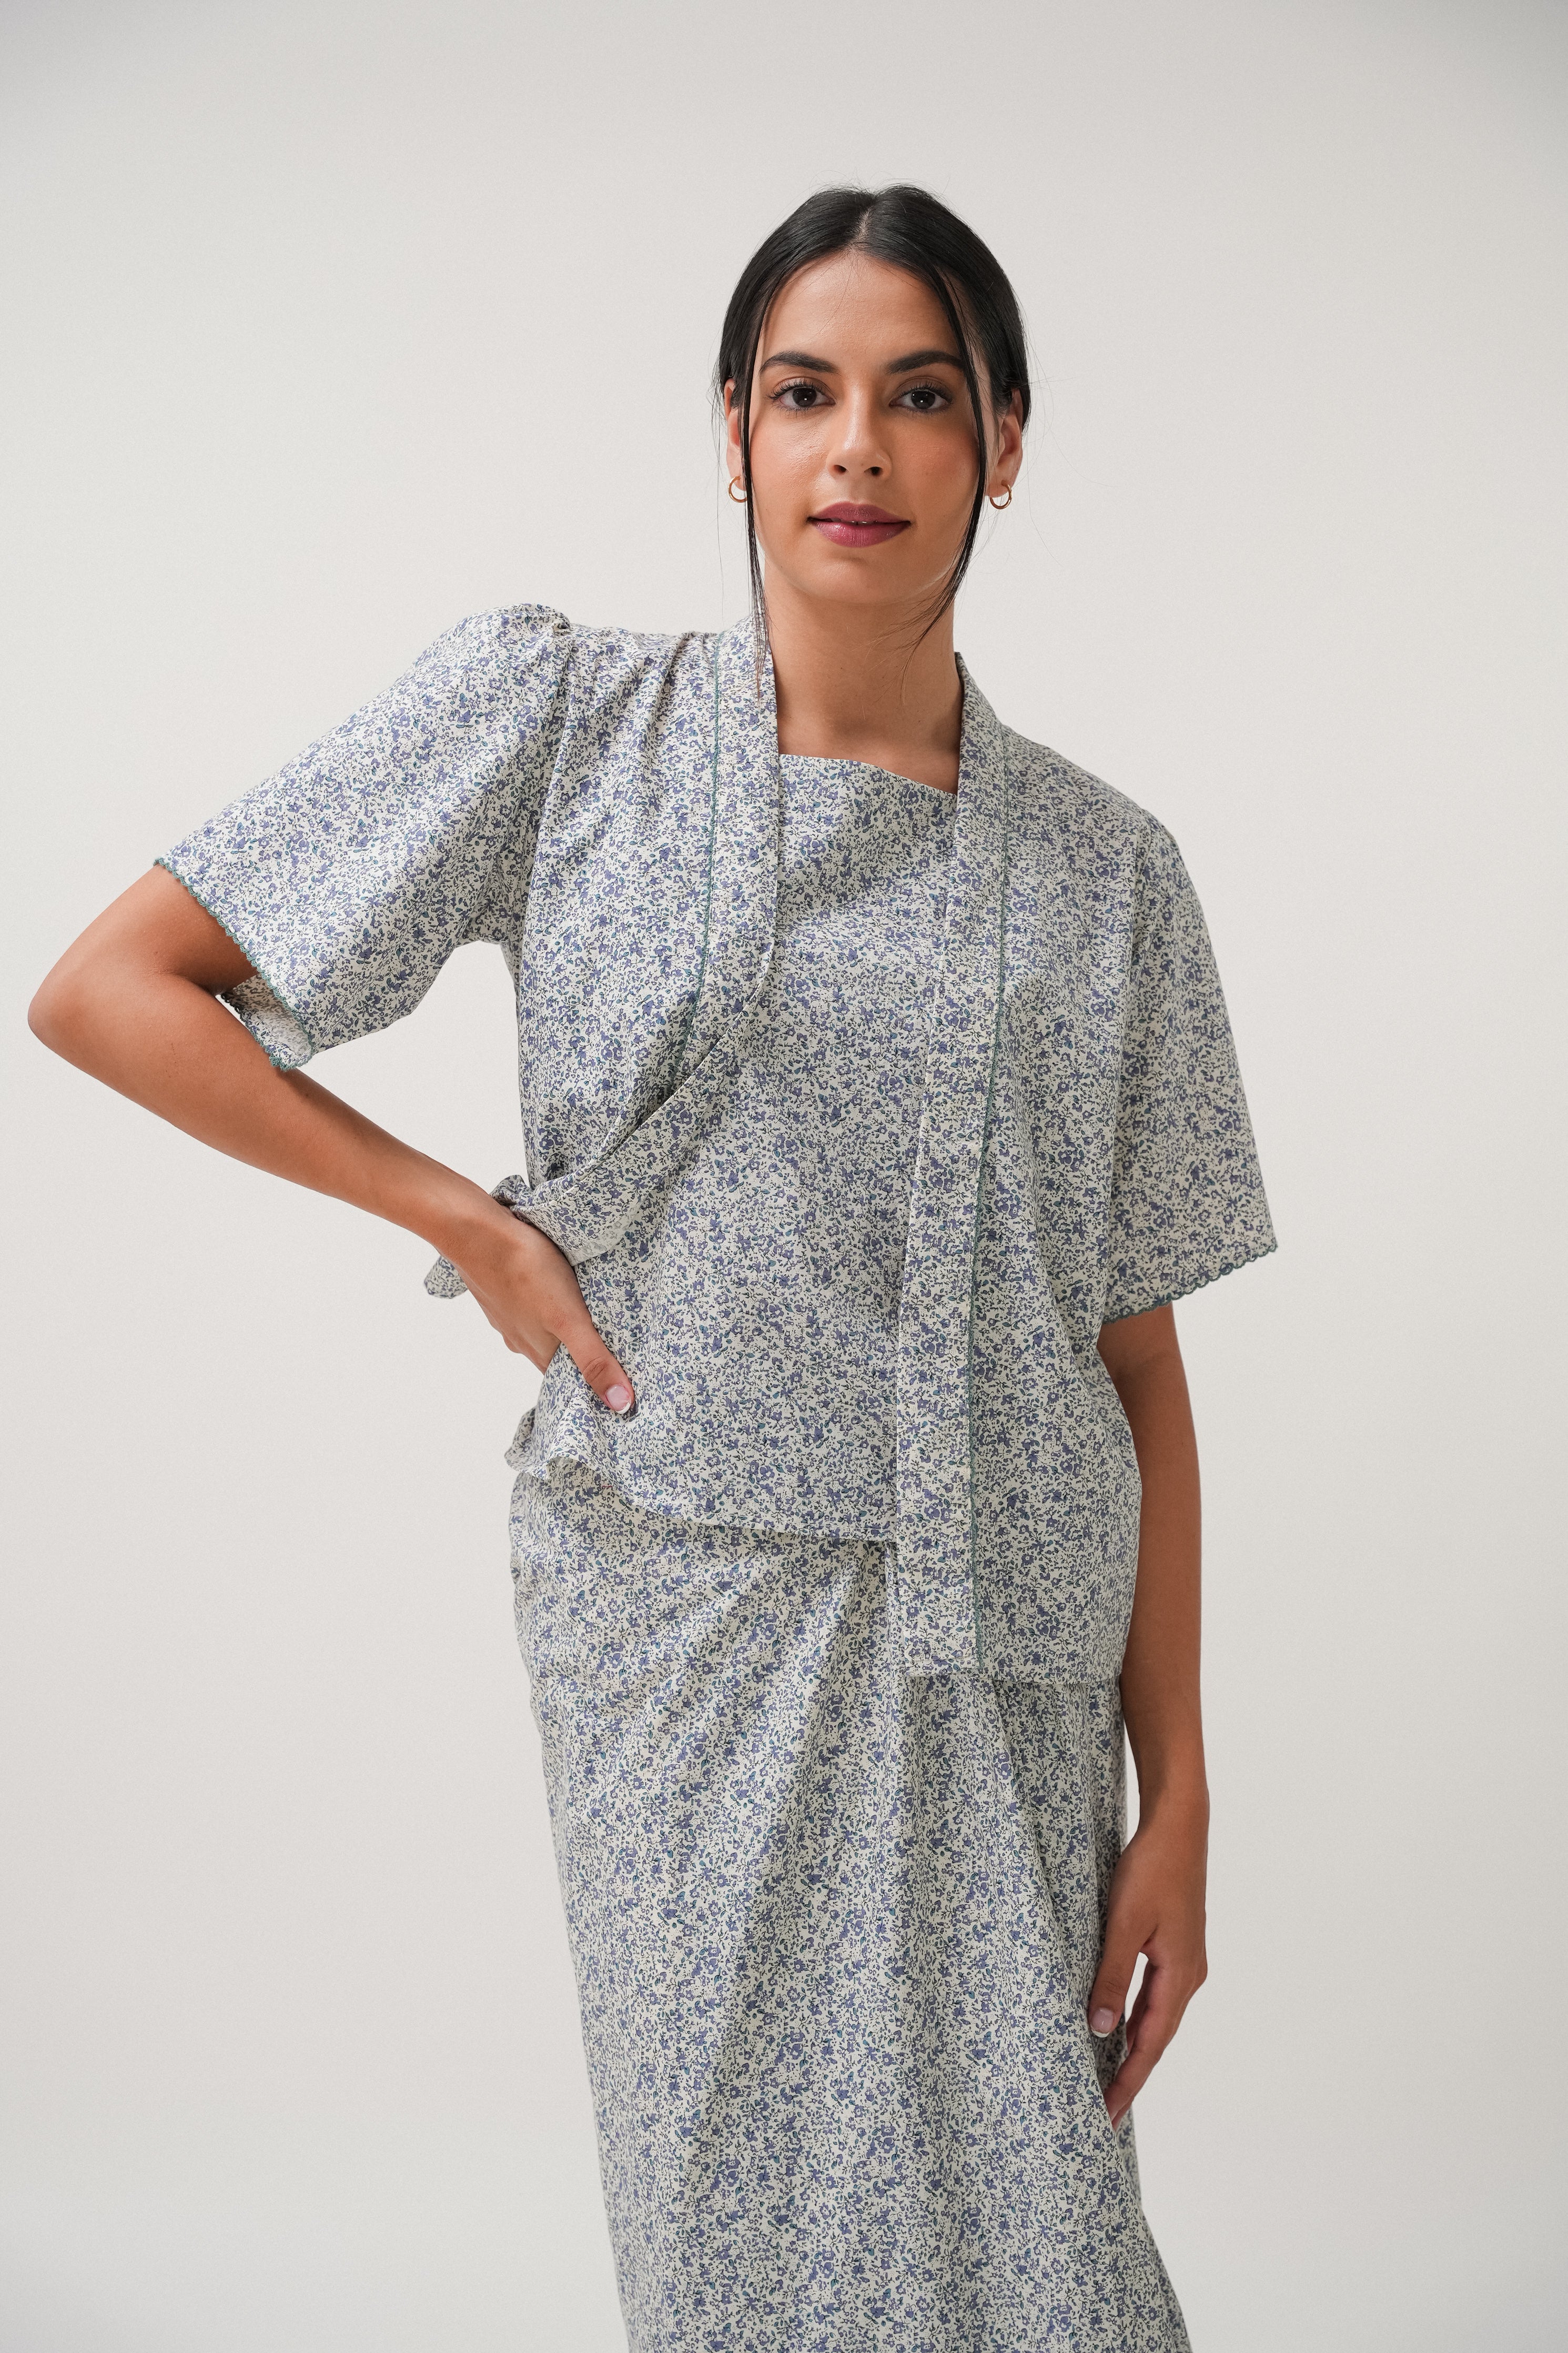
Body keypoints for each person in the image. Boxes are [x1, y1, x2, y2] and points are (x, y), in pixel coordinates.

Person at [29, 184, 1274, 2351]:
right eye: (803, 393)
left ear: (1003, 443)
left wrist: (1179, 1796)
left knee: (1048, 2259)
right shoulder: (566, 725)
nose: (857, 447)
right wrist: (465, 1217)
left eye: (920, 397)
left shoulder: (1110, 874)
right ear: (731, 433)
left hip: (1008, 1656)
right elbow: (112, 989)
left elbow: (1136, 1361)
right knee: (736, 2251)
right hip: (682, 1635)